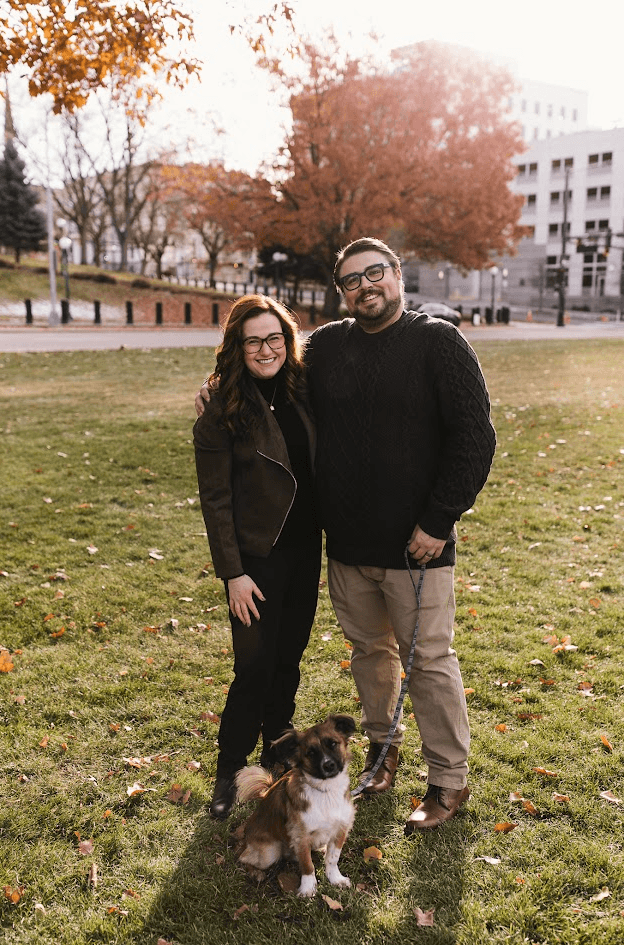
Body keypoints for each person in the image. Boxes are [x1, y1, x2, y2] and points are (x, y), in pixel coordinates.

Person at [196, 239, 496, 833]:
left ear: (398, 275)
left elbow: (475, 438)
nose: (366, 286)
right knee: (371, 657)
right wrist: (214, 388)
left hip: (419, 547)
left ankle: (447, 781)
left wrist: (439, 521)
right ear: (342, 292)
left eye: (376, 273)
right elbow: (267, 368)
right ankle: (383, 757)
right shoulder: (329, 347)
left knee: (430, 661)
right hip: (348, 550)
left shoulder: (439, 342)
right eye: (352, 280)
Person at [193, 295, 321, 821]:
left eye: (275, 338)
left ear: (288, 342)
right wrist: (234, 574)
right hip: (255, 559)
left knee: (288, 657)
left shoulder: (304, 390)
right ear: (237, 347)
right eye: (254, 341)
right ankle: (228, 768)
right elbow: (215, 500)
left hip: (305, 549)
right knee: (254, 665)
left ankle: (276, 755)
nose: (266, 349)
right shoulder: (221, 409)